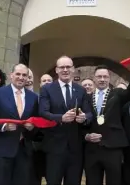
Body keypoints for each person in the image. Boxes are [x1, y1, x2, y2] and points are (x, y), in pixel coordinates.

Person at [83, 61, 130, 185]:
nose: (102, 79)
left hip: (113, 148)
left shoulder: (118, 94)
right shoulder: (86, 98)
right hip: (92, 150)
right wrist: (86, 135)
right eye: (99, 76)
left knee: (115, 181)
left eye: (105, 76)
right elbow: (82, 122)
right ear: (94, 78)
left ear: (109, 78)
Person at [0, 64, 39, 185]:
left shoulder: (33, 97)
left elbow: (37, 120)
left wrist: (32, 126)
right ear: (11, 75)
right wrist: (3, 126)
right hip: (3, 150)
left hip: (24, 151)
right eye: (18, 74)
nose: (21, 77)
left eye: (24, 75)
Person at [39, 55, 92, 185]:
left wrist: (84, 118)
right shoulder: (47, 89)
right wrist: (61, 118)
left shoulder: (80, 90)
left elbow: (90, 113)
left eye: (68, 67)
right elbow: (43, 113)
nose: (65, 70)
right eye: (62, 67)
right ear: (56, 70)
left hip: (75, 149)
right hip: (54, 148)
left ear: (73, 69)